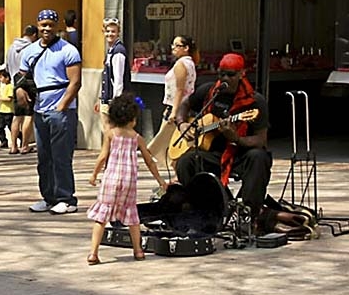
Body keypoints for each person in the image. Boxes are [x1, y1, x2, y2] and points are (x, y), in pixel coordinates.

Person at [173, 53, 273, 227]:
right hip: (214, 153)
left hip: (241, 154)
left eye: (231, 74)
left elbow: (261, 140)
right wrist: (182, 124)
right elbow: (185, 104)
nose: (225, 78)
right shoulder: (209, 92)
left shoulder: (255, 102)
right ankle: (206, 211)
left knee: (259, 157)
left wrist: (237, 138)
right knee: (185, 162)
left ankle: (249, 216)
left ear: (242, 73)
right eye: (221, 74)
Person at [86, 95, 167, 264]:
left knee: (102, 217)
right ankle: (138, 251)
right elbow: (149, 161)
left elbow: (102, 157)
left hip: (111, 180)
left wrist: (94, 174)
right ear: (132, 119)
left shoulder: (110, 134)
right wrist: (161, 181)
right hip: (129, 182)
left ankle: (93, 253)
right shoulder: (137, 138)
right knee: (132, 216)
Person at [23, 9, 82, 214]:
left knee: (61, 157)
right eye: (43, 25)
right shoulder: (30, 51)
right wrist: (20, 90)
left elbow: (75, 82)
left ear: (57, 26)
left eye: (50, 25)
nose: (46, 28)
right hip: (40, 110)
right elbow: (22, 77)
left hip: (61, 111)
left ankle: (67, 198)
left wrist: (62, 106)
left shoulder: (68, 50)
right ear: (37, 26)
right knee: (44, 158)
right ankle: (48, 197)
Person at [145, 35, 198, 176]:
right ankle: (177, 175)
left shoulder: (182, 64)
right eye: (172, 45)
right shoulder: (189, 63)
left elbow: (180, 90)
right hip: (181, 108)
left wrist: (174, 112)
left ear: (186, 48)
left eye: (177, 45)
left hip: (178, 109)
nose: (173, 48)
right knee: (172, 146)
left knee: (165, 145)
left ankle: (178, 176)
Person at [7, 24, 38, 153]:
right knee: (29, 115)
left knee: (17, 115)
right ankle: (25, 145)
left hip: (15, 81)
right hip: (28, 82)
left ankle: (13, 146)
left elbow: (7, 65)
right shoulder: (32, 48)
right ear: (34, 35)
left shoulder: (11, 47)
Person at [97, 17, 128, 129]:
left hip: (112, 101)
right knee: (107, 131)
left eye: (113, 31)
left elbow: (118, 80)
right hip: (106, 99)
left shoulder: (118, 52)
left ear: (118, 32)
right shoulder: (111, 50)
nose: (110, 34)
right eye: (108, 31)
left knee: (112, 132)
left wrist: (115, 103)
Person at [0, 71, 15, 148]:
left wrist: (0, 98)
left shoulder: (10, 86)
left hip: (9, 111)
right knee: (0, 127)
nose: (0, 79)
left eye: (2, 77)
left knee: (11, 127)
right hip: (2, 110)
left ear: (7, 78)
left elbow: (9, 98)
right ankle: (3, 141)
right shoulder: (2, 87)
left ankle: (20, 137)